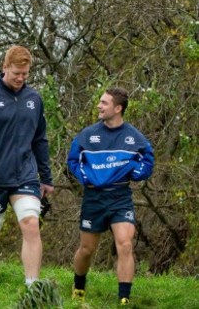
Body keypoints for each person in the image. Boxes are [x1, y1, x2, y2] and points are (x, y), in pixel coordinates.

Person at [0, 45, 54, 290]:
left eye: (25, 73)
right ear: (5, 67)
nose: (21, 78)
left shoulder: (34, 99)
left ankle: (33, 288)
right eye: (16, 73)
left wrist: (46, 177)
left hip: (25, 175)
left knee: (31, 224)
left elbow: (40, 139)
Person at [68, 88, 154, 305]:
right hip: (94, 198)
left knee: (125, 245)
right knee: (87, 249)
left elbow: (147, 160)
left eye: (104, 103)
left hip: (120, 197)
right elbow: (72, 160)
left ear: (118, 109)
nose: (99, 106)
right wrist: (86, 178)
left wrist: (136, 173)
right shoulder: (88, 135)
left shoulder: (134, 137)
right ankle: (78, 286)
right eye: (100, 102)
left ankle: (124, 298)